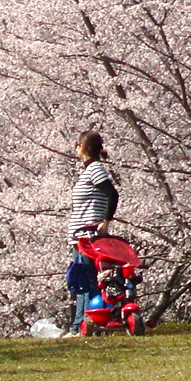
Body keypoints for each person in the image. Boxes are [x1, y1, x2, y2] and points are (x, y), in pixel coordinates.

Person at [66, 131, 118, 335]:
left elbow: (112, 193)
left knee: (88, 281)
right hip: (79, 236)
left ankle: (86, 325)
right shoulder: (89, 170)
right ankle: (79, 326)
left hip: (89, 235)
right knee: (81, 281)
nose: (76, 148)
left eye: (77, 144)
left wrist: (105, 221)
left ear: (83, 147)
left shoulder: (95, 168)